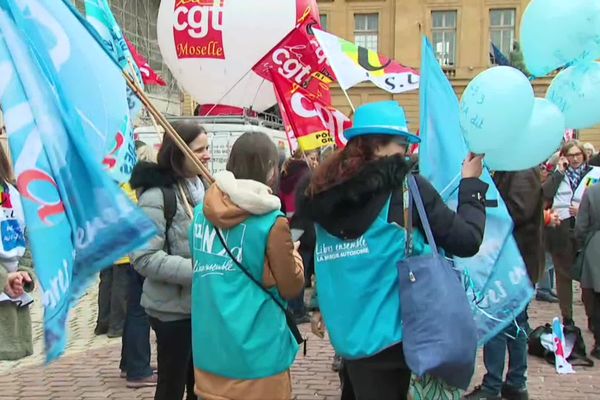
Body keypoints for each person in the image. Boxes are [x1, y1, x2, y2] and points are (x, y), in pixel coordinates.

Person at [297, 101, 487, 400]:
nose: (406, 153)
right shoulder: (406, 188)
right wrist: (472, 185)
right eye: (401, 144)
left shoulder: (322, 192)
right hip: (395, 337)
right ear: (376, 145)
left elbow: (326, 257)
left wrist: (319, 303)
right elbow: (467, 240)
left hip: (349, 334)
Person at [190, 131, 304, 400]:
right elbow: (291, 286)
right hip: (258, 354)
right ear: (269, 169)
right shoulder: (271, 222)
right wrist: (295, 257)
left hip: (210, 350)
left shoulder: (199, 215)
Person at [130, 120, 211, 400]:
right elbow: (143, 257)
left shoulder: (209, 192)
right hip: (172, 311)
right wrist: (199, 269)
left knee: (203, 386)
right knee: (172, 386)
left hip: (205, 306)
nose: (207, 155)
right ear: (179, 153)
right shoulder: (156, 197)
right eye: (200, 149)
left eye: (208, 148)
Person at [465, 168, 545, 400]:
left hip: (515, 259)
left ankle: (495, 385)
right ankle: (515, 384)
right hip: (513, 259)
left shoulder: (520, 169)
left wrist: (481, 210)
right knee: (515, 323)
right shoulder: (511, 167)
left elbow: (517, 210)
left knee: (500, 320)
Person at [543, 140, 600, 329]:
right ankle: (567, 317)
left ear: (584, 155)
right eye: (571, 155)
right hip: (561, 228)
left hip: (587, 229)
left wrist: (584, 210)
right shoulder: (558, 175)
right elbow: (544, 194)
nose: (574, 159)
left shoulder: (595, 173)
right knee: (563, 274)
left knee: (588, 276)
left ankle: (593, 317)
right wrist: (558, 172)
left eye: (578, 154)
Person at [118, 142, 159, 388]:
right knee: (138, 313)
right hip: (138, 253)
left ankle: (130, 363)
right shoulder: (143, 191)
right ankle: (137, 368)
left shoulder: (129, 184)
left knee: (134, 311)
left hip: (130, 252)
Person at [0, 145, 34, 361]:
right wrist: (6, 277)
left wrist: (22, 272)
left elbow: (30, 238)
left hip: (12, 297)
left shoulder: (13, 194)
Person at [279, 149, 318, 323]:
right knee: (301, 267)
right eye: (312, 157)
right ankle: (298, 309)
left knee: (291, 265)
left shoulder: (284, 175)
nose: (315, 161)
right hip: (304, 227)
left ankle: (292, 306)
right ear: (304, 157)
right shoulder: (306, 175)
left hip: (288, 225)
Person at [576, 182, 600, 359]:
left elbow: (581, 227)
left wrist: (581, 244)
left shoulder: (592, 192)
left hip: (595, 245)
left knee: (595, 298)